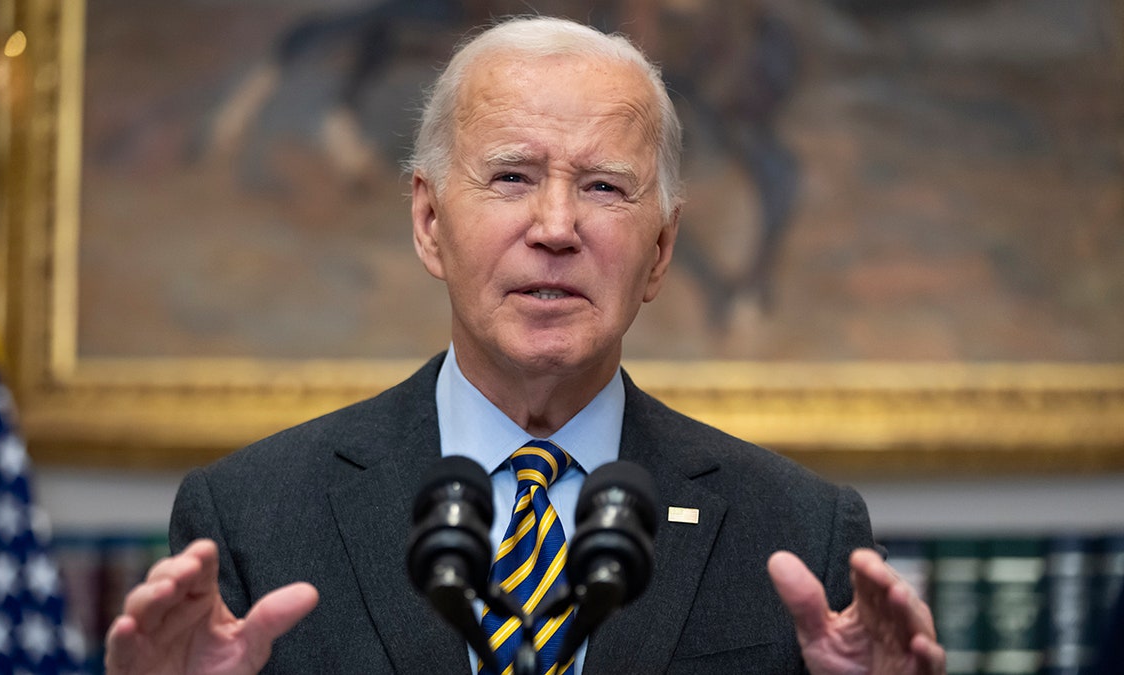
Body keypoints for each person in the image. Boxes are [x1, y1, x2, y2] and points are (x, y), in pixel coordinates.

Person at [105, 16, 945, 675]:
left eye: (604, 187)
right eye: (512, 176)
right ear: (429, 222)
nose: (555, 227)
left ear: (660, 251)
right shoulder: (253, 515)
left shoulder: (799, 531)